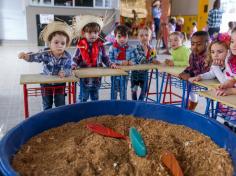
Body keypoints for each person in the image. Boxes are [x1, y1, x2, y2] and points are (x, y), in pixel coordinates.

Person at [18, 21, 73, 110]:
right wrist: (25, 56)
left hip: (60, 84)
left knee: (61, 104)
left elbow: (70, 69)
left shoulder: (67, 56)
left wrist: (65, 72)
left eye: (63, 43)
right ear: (49, 43)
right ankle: (48, 121)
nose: (59, 45)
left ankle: (60, 120)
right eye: (56, 42)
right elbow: (34, 57)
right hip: (46, 84)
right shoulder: (45, 53)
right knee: (47, 105)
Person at [72, 15, 117, 102]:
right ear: (83, 33)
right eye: (90, 32)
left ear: (98, 33)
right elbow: (75, 58)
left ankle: (94, 114)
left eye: (95, 32)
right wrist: (73, 65)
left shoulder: (100, 46)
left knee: (95, 98)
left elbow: (105, 57)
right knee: (83, 98)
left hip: (96, 79)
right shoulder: (81, 45)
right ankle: (82, 113)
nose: (93, 35)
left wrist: (111, 64)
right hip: (84, 79)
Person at [179, 31, 210, 110]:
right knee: (190, 90)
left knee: (209, 98)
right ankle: (192, 105)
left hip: (209, 81)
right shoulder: (193, 54)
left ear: (207, 43)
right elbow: (191, 66)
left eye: (199, 44)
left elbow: (205, 71)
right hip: (195, 80)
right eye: (192, 44)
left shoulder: (208, 56)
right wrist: (185, 72)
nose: (195, 47)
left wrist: (191, 74)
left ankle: (196, 107)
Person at [131, 26, 160, 101]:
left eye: (146, 35)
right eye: (141, 35)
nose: (144, 37)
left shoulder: (152, 48)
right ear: (138, 37)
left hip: (144, 72)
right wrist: (147, 54)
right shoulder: (136, 48)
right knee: (134, 88)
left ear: (150, 37)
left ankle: (140, 102)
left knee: (144, 89)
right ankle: (134, 100)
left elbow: (154, 57)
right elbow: (142, 60)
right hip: (135, 72)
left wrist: (155, 60)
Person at [108, 24, 135, 100]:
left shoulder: (130, 48)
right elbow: (110, 60)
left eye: (125, 36)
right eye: (119, 36)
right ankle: (113, 106)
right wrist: (121, 62)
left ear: (128, 37)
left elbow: (133, 58)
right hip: (115, 73)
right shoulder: (112, 48)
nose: (122, 39)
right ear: (115, 37)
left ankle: (123, 106)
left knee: (123, 90)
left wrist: (131, 62)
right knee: (114, 90)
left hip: (125, 74)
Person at [216, 27, 236, 96]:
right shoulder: (231, 59)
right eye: (232, 41)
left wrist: (231, 91)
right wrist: (226, 84)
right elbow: (233, 78)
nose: (234, 45)